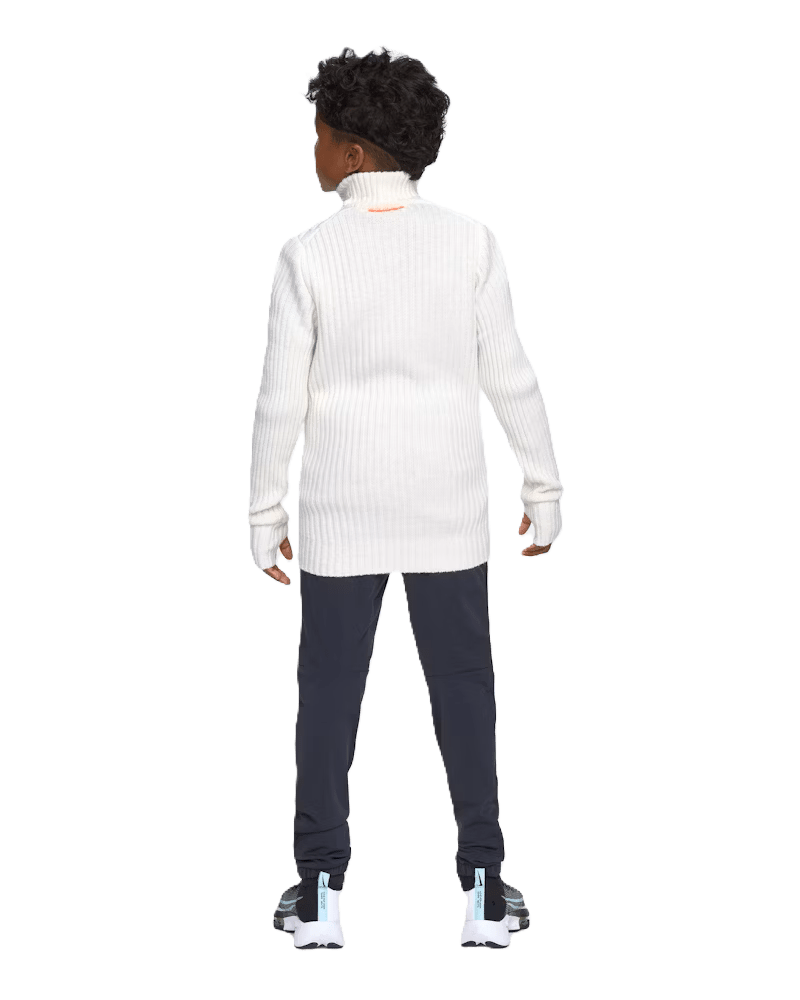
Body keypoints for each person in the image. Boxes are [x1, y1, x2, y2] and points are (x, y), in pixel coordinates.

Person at [248, 43, 564, 952]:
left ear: (351, 150)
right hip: (447, 508)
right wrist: (542, 486)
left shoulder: (307, 253)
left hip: (341, 512)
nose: (312, 149)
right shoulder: (471, 242)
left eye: (318, 134)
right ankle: (484, 888)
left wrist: (266, 512)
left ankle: (319, 891)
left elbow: (278, 399)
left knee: (328, 693)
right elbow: (511, 375)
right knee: (464, 688)